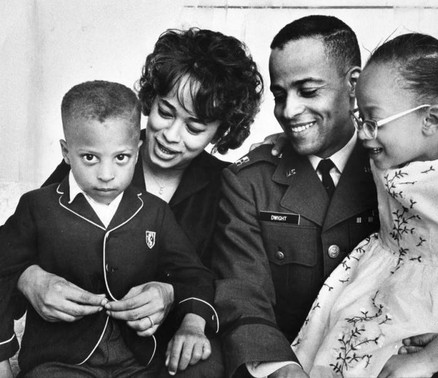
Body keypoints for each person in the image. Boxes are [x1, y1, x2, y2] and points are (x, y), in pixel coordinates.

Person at [10, 28, 263, 377]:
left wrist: (174, 297)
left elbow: (219, 277)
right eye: (166, 112)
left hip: (166, 345)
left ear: (220, 132)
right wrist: (30, 279)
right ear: (150, 100)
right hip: (75, 348)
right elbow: (27, 237)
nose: (171, 136)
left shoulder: (227, 184)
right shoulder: (100, 154)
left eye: (195, 127)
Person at [290, 33, 438, 377]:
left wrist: (427, 360)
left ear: (430, 120)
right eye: (361, 118)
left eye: (373, 120)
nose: (364, 134)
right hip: (376, 283)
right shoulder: (389, 149)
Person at [0, 80, 218, 377]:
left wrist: (192, 320)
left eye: (121, 158)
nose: (106, 175)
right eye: (90, 157)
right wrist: (3, 353)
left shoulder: (155, 211)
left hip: (139, 361)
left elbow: (193, 274)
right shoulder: (37, 207)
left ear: (137, 151)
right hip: (59, 362)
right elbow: (3, 267)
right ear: (66, 152)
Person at [211, 15, 379, 377]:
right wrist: (280, 367)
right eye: (280, 95)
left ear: (353, 84)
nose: (288, 111)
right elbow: (242, 294)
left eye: (308, 90)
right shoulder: (249, 182)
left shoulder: (393, 167)